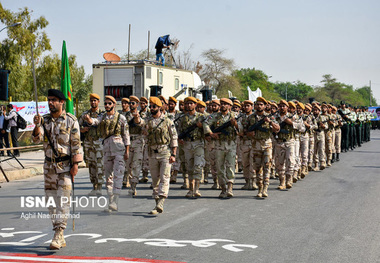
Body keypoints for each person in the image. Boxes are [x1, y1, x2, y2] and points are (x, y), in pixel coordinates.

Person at [32, 89, 83, 250]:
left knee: (63, 201)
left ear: (62, 102)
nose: (50, 102)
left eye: (54, 100)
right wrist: (36, 126)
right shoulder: (44, 121)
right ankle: (58, 230)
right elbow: (36, 139)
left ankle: (58, 233)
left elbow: (76, 144)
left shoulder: (70, 121)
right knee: (51, 202)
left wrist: (75, 166)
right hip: (49, 167)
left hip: (65, 166)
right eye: (48, 100)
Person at [84, 95, 130, 212]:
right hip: (106, 149)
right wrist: (89, 120)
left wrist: (127, 150)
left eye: (110, 104)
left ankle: (115, 201)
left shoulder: (121, 118)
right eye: (106, 104)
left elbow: (126, 135)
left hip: (118, 148)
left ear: (114, 105)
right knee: (108, 176)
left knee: (118, 175)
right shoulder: (102, 117)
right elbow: (95, 122)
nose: (107, 106)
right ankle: (111, 201)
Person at [144, 97, 178, 214]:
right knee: (155, 180)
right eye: (150, 106)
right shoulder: (148, 122)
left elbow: (174, 138)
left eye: (154, 106)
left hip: (165, 152)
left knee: (165, 177)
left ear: (159, 107)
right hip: (152, 153)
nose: (151, 108)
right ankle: (156, 201)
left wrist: (173, 154)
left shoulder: (167, 121)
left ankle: (161, 202)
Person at [203, 98, 238, 198]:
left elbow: (241, 128)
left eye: (225, 104)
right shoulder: (215, 116)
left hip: (231, 144)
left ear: (230, 106)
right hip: (219, 144)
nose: (223, 105)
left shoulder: (235, 116)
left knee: (230, 166)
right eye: (221, 104)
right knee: (220, 167)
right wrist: (210, 133)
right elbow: (206, 123)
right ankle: (223, 188)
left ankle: (230, 188)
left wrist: (235, 124)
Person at [247, 97, 279, 198]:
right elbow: (244, 131)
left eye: (261, 104)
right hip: (255, 144)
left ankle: (265, 188)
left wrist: (270, 122)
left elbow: (277, 129)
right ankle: (260, 188)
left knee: (267, 165)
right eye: (257, 104)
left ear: (265, 106)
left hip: (267, 144)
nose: (259, 106)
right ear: (255, 106)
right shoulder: (251, 118)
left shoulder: (270, 117)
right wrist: (249, 133)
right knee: (257, 168)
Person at [178, 96, 205, 198]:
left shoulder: (201, 117)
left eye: (191, 103)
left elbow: (206, 130)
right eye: (187, 103)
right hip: (187, 144)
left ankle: (196, 189)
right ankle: (190, 189)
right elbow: (179, 130)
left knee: (198, 166)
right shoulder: (182, 118)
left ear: (195, 105)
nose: (189, 105)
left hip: (198, 143)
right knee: (189, 167)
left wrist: (201, 126)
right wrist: (179, 138)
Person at [78, 93, 104, 196]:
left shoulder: (102, 114)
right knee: (91, 166)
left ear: (98, 102)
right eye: (91, 100)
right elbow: (76, 128)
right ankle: (94, 187)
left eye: (95, 100)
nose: (93, 102)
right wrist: (82, 130)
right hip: (88, 143)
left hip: (99, 143)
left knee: (99, 165)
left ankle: (100, 188)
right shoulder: (85, 115)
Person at [124, 96, 145, 196]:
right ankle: (127, 179)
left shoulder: (142, 115)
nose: (131, 105)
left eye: (133, 103)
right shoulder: (125, 116)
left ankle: (133, 187)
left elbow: (143, 125)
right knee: (127, 165)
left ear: (137, 104)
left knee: (136, 165)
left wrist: (137, 119)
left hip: (138, 142)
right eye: (130, 103)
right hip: (127, 142)